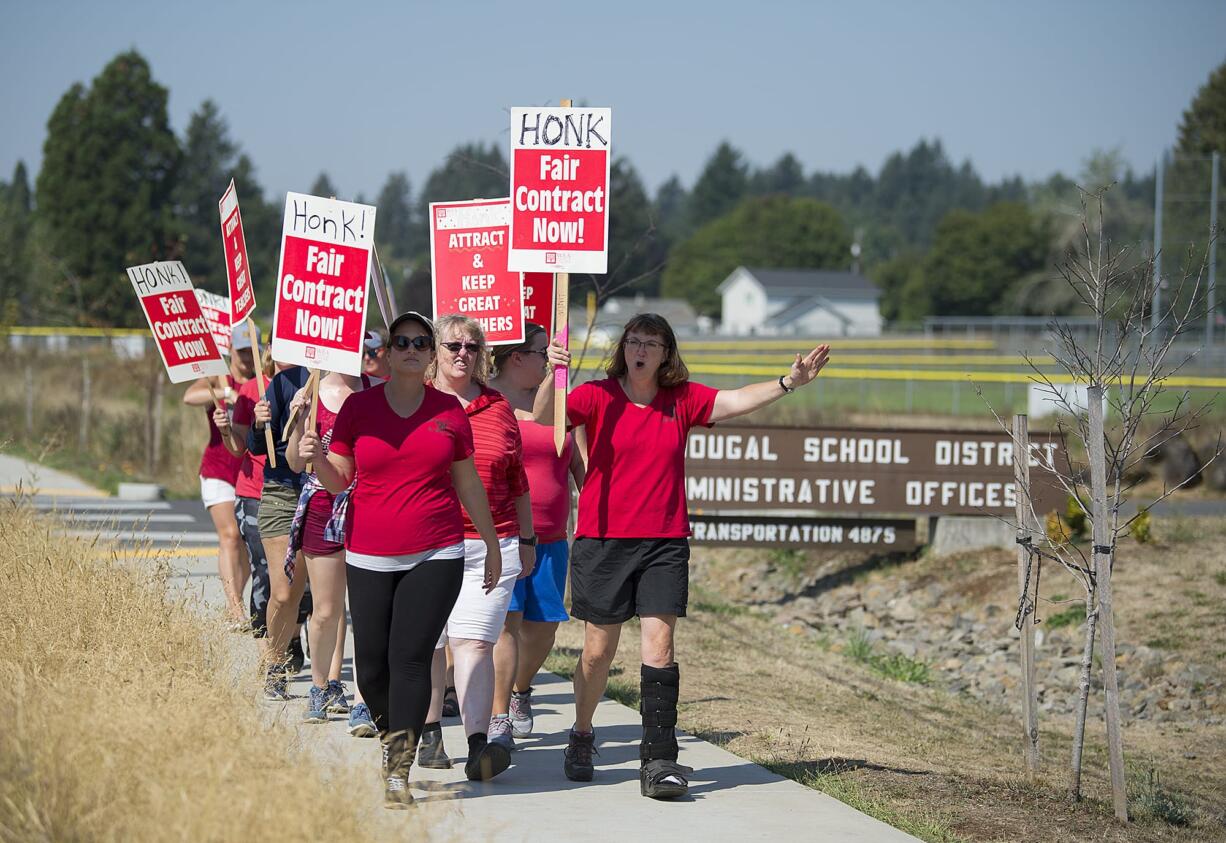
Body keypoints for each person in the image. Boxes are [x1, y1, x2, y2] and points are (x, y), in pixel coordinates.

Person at [539, 313, 829, 799]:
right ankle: (582, 733)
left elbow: (735, 401)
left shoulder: (683, 399)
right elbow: (547, 417)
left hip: (664, 542)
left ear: (666, 353)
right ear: (623, 349)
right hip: (603, 539)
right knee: (597, 653)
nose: (641, 351)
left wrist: (788, 382)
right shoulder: (596, 394)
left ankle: (658, 762)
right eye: (634, 342)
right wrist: (553, 372)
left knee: (660, 648)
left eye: (651, 344)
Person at [306, 311, 503, 808]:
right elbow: (339, 482)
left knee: (410, 659)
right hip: (369, 553)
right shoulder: (359, 408)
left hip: (437, 551)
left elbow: (467, 483)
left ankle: (398, 766)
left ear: (429, 352)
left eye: (421, 342)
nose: (412, 349)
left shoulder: (448, 412)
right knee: (371, 669)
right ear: (388, 353)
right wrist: (311, 457)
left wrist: (494, 543)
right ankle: (393, 733)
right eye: (402, 342)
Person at [424, 314, 534, 778]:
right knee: (429, 643)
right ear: (436, 351)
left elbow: (517, 480)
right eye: (452, 345)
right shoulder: (418, 404)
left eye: (471, 346)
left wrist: (526, 538)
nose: (462, 354)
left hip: (492, 544)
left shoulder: (498, 407)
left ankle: (477, 746)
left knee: (474, 645)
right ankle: (429, 735)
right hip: (425, 543)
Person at [489, 324, 585, 744]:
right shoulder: (488, 399)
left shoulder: (563, 405)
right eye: (542, 352)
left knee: (544, 624)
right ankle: (498, 717)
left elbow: (581, 466)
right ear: (517, 358)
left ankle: (520, 690)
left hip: (550, 536)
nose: (549, 359)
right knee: (505, 623)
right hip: (501, 533)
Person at [285, 366, 376, 724]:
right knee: (325, 610)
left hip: (369, 507)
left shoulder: (378, 389)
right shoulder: (312, 392)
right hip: (323, 508)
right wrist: (298, 424)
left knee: (368, 614)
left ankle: (364, 703)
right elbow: (294, 462)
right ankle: (320, 688)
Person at [247, 359, 312, 699]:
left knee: (324, 600)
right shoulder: (288, 380)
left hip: (332, 493)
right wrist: (260, 424)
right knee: (285, 592)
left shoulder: (355, 381)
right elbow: (257, 446)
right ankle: (275, 663)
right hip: (283, 493)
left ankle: (326, 684)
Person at [184, 323, 252, 628]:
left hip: (249, 472)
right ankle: (236, 609)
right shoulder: (219, 378)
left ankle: (234, 597)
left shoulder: (261, 382)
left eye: (253, 351)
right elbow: (190, 396)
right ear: (232, 350)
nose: (248, 358)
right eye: (242, 351)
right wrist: (225, 393)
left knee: (252, 544)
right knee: (230, 536)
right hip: (218, 469)